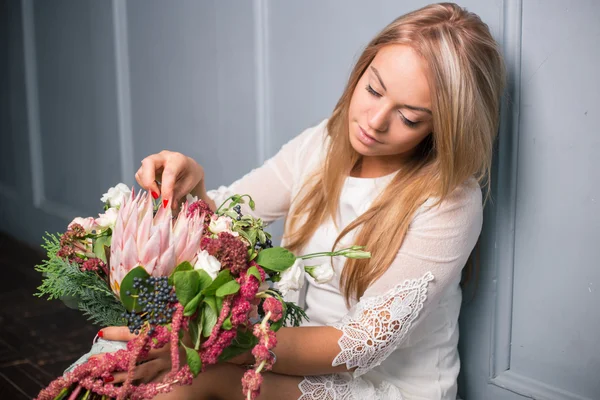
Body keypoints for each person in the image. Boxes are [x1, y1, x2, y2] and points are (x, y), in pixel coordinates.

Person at [101, 2, 506, 399]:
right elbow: (232, 219)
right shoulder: (323, 144)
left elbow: (361, 343)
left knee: (187, 381)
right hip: (284, 357)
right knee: (134, 368)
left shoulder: (448, 201)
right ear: (362, 69)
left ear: (445, 128)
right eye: (373, 89)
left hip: (384, 386)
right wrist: (194, 186)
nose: (375, 120)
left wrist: (201, 346)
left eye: (410, 117)